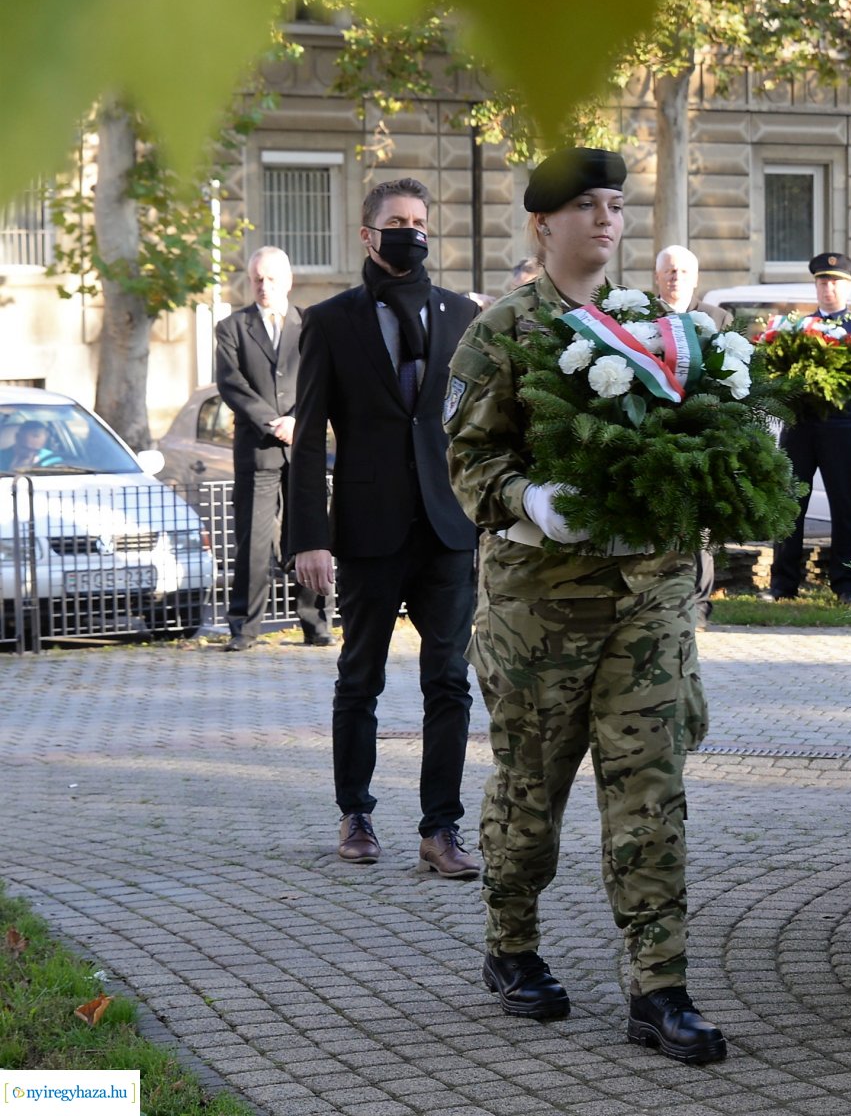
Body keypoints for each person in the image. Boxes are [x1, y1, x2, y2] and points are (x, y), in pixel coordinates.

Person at [444, 147, 726, 1064]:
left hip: (649, 600)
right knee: (533, 789)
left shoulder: (651, 324)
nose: (606, 220)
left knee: (653, 790)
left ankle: (659, 985)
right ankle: (512, 945)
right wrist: (528, 499)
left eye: (614, 204)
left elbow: (689, 439)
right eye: (586, 207)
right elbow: (469, 460)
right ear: (543, 224)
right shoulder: (503, 331)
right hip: (543, 612)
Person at [289, 177, 482, 877]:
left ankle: (442, 829)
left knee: (450, 683)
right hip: (367, 531)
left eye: (421, 221)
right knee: (358, 679)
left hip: (447, 528)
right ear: (368, 235)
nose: (412, 231)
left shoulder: (461, 315)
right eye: (398, 221)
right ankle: (357, 814)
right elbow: (308, 437)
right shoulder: (331, 320)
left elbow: (475, 428)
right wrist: (309, 536)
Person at [213, 246, 331, 651]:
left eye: (272, 278)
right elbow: (232, 385)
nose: (264, 286)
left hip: (303, 447)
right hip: (259, 449)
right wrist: (272, 422)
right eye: (257, 279)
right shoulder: (231, 328)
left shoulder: (311, 323)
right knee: (253, 542)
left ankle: (316, 624)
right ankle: (244, 628)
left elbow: (321, 378)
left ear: (289, 280)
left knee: (309, 536)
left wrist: (298, 419)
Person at [768, 252, 851, 605]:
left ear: (849, 287)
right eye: (823, 282)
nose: (829, 288)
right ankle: (783, 585)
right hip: (800, 427)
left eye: (836, 282)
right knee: (791, 503)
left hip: (840, 428)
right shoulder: (798, 327)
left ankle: (846, 586)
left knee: (843, 508)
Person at [652, 245, 729, 623]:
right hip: (653, 435)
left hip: (702, 437)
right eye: (668, 270)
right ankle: (657, 598)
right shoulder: (638, 319)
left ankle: (697, 604)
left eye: (683, 271)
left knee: (699, 525)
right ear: (656, 277)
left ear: (695, 278)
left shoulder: (718, 319)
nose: (675, 277)